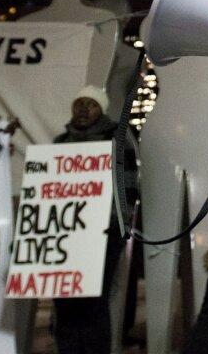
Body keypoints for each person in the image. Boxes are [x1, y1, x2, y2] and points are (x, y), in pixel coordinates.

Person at [51, 85, 132, 354]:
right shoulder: (60, 143)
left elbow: (129, 185)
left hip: (103, 234)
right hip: (66, 234)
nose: (84, 109)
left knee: (93, 301)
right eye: (80, 103)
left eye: (92, 104)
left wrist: (118, 225)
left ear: (101, 110)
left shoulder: (116, 139)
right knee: (64, 299)